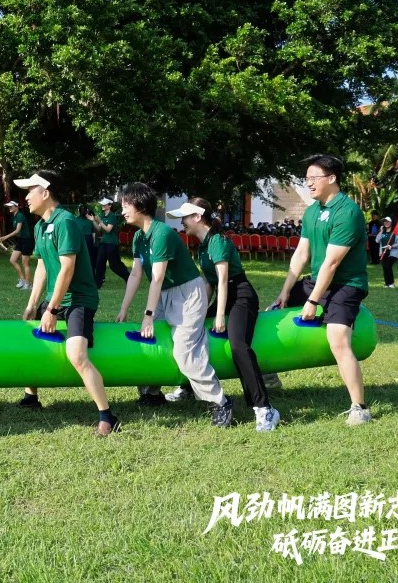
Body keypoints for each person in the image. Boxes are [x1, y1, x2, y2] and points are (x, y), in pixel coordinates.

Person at [115, 183, 234, 427]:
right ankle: (151, 392)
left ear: (140, 206)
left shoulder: (162, 234)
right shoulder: (139, 236)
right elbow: (136, 274)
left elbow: (157, 277)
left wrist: (149, 315)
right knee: (152, 341)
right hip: (164, 294)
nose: (122, 210)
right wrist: (124, 309)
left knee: (184, 350)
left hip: (187, 294)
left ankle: (220, 402)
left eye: (126, 205)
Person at [14, 171, 120, 436]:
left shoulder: (66, 222)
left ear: (45, 192)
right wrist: (33, 303)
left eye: (30, 191)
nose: (26, 197)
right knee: (30, 341)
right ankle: (31, 395)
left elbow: (67, 269)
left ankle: (107, 417)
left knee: (77, 356)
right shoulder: (40, 226)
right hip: (56, 297)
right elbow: (41, 267)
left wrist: (51, 310)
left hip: (79, 300)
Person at [272, 154, 371, 426]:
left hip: (345, 285)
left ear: (332, 178)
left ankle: (359, 407)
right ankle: (269, 374)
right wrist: (285, 291)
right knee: (272, 312)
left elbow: (332, 262)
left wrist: (313, 301)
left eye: (313, 178)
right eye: (306, 179)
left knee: (337, 339)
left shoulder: (347, 212)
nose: (308, 183)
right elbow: (301, 253)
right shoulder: (312, 211)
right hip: (317, 280)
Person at [165, 198, 279, 431]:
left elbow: (224, 281)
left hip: (241, 295)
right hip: (224, 296)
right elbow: (210, 282)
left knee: (238, 346)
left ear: (197, 217)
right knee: (191, 331)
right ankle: (189, 387)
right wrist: (198, 312)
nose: (182, 222)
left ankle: (264, 408)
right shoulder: (203, 246)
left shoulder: (217, 241)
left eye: (185, 217)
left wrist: (218, 316)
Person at [88, 197, 130, 289]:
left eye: (105, 204)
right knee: (99, 263)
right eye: (102, 204)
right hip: (103, 243)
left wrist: (100, 221)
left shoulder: (112, 216)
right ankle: (97, 284)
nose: (102, 205)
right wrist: (93, 221)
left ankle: (128, 277)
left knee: (114, 265)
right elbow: (99, 229)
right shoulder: (102, 215)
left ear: (109, 205)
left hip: (112, 244)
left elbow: (108, 229)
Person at [0, 200, 33, 290]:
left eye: (11, 206)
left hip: (27, 240)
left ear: (17, 207)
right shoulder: (15, 216)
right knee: (12, 260)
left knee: (25, 263)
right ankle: (23, 280)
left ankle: (28, 284)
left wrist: (6, 237)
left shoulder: (20, 216)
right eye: (9, 206)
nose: (9, 208)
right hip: (21, 240)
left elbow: (17, 230)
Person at [376, 216, 398, 289]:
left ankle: (391, 283)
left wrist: (391, 246)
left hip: (392, 253)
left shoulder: (395, 232)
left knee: (388, 266)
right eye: (385, 221)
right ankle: (387, 283)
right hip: (383, 253)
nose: (386, 223)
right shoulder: (382, 232)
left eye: (388, 221)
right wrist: (381, 231)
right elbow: (377, 240)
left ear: (391, 223)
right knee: (385, 267)